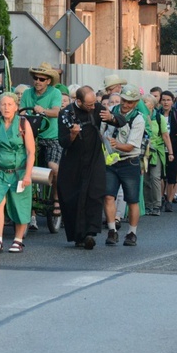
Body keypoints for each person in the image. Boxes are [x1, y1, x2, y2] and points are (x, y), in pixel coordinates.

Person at [57, 86, 125, 249]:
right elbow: (63, 142)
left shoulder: (97, 108)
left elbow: (121, 121)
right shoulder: (66, 113)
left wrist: (112, 117)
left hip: (94, 160)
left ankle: (90, 234)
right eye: (89, 105)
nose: (93, 107)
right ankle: (77, 235)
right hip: (73, 163)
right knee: (73, 197)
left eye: (94, 103)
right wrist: (72, 134)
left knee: (94, 195)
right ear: (78, 101)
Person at [0, 92, 35, 253]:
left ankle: (18, 240)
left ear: (16, 107)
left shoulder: (24, 124)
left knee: (20, 205)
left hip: (18, 171)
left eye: (10, 104)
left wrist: (27, 174)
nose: (6, 108)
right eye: (3, 104)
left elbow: (31, 152)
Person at [102, 85, 146, 246]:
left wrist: (116, 144)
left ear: (135, 103)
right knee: (108, 195)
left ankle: (132, 233)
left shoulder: (138, 119)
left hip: (129, 160)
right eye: (124, 100)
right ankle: (112, 230)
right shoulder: (111, 110)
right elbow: (102, 131)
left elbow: (132, 146)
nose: (125, 104)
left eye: (129, 102)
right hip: (110, 161)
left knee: (132, 199)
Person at [20, 62, 63, 227]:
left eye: (41, 79)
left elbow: (56, 111)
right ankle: (29, 211)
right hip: (31, 136)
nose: (37, 81)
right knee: (24, 168)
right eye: (36, 78)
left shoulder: (55, 93)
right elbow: (22, 111)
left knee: (54, 167)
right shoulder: (27, 93)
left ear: (48, 81)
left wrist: (42, 111)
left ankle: (56, 198)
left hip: (51, 137)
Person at [142, 94, 173, 215]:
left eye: (146, 102)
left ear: (153, 104)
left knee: (155, 177)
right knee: (145, 179)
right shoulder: (141, 117)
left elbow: (165, 135)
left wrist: (170, 152)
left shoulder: (159, 118)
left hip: (156, 151)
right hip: (143, 151)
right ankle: (148, 204)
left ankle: (157, 204)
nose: (144, 104)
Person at [160, 91, 177, 209]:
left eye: (168, 100)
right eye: (163, 100)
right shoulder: (156, 114)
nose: (166, 102)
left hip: (174, 150)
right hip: (160, 149)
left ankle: (169, 201)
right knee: (160, 175)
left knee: (172, 175)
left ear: (172, 101)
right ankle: (160, 197)